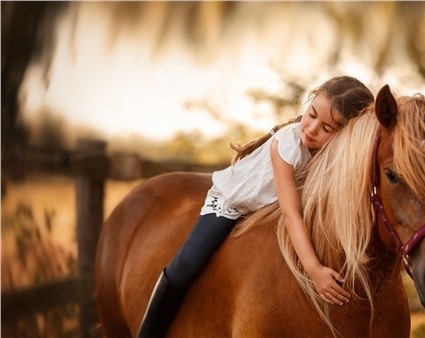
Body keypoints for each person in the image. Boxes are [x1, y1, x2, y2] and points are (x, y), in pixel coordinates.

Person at [137, 76, 375, 338]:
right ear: (308, 104)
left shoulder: (335, 155)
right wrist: (314, 270)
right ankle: (148, 333)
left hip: (268, 209)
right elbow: (291, 213)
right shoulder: (287, 145)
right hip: (232, 203)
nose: (312, 128)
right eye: (312, 114)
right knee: (186, 264)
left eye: (328, 128)